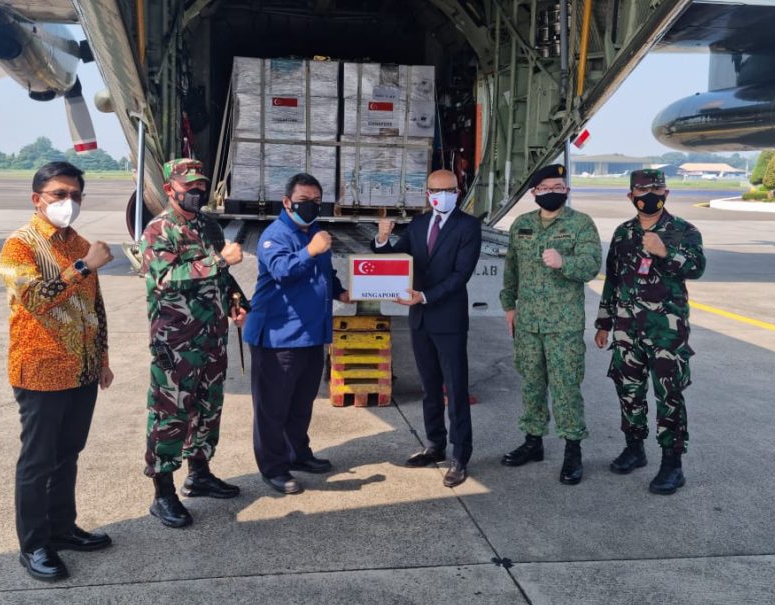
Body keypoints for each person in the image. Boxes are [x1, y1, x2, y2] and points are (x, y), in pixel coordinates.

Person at [0, 161, 114, 582]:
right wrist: (84, 266)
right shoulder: (20, 246)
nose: (69, 202)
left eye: (76, 195)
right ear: (37, 199)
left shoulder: (78, 241)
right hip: (42, 369)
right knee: (37, 461)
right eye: (59, 194)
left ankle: (62, 528)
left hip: (81, 369)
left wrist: (102, 359)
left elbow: (94, 309)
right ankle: (34, 545)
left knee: (68, 454)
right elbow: (35, 298)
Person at [140, 158, 248, 528]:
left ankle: (199, 473)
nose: (197, 194)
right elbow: (167, 278)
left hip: (212, 336)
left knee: (207, 407)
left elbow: (221, 278)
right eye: (189, 189)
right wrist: (219, 260)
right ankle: (163, 494)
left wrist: (237, 300)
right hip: (176, 344)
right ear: (170, 190)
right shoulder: (158, 230)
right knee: (170, 416)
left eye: (201, 188)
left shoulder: (207, 225)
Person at [594, 169, 705, 495]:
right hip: (627, 330)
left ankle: (672, 463)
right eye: (642, 190)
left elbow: (698, 267)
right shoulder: (622, 233)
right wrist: (604, 322)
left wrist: (664, 252)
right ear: (631, 196)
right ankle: (635, 447)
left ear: (666, 193)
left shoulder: (683, 230)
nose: (649, 195)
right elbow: (612, 281)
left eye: (656, 189)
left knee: (669, 395)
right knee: (628, 390)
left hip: (666, 333)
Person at [373, 169, 481, 487]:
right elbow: (395, 258)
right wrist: (382, 238)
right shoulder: (419, 225)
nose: (442, 195)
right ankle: (435, 445)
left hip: (447, 319)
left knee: (455, 389)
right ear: (427, 193)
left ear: (457, 192)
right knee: (429, 388)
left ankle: (460, 456)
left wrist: (425, 295)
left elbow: (461, 274)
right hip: (419, 320)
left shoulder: (468, 226)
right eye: (436, 190)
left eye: (448, 190)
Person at [244, 172, 349, 494]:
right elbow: (283, 271)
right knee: (273, 407)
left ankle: (298, 453)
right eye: (304, 201)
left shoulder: (316, 232)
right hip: (279, 336)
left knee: (301, 403)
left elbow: (324, 274)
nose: (311, 207)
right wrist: (311, 251)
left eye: (317, 202)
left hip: (310, 334)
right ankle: (273, 468)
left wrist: (340, 292)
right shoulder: (274, 235)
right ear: (287, 202)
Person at [498, 164, 601, 485]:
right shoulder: (522, 225)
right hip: (527, 323)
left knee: (566, 387)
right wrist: (509, 306)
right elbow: (511, 268)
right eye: (545, 188)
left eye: (558, 186)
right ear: (534, 194)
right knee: (531, 384)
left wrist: (564, 262)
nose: (552, 192)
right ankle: (533, 442)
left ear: (567, 190)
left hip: (563, 325)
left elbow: (592, 265)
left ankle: (573, 449)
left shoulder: (581, 224)